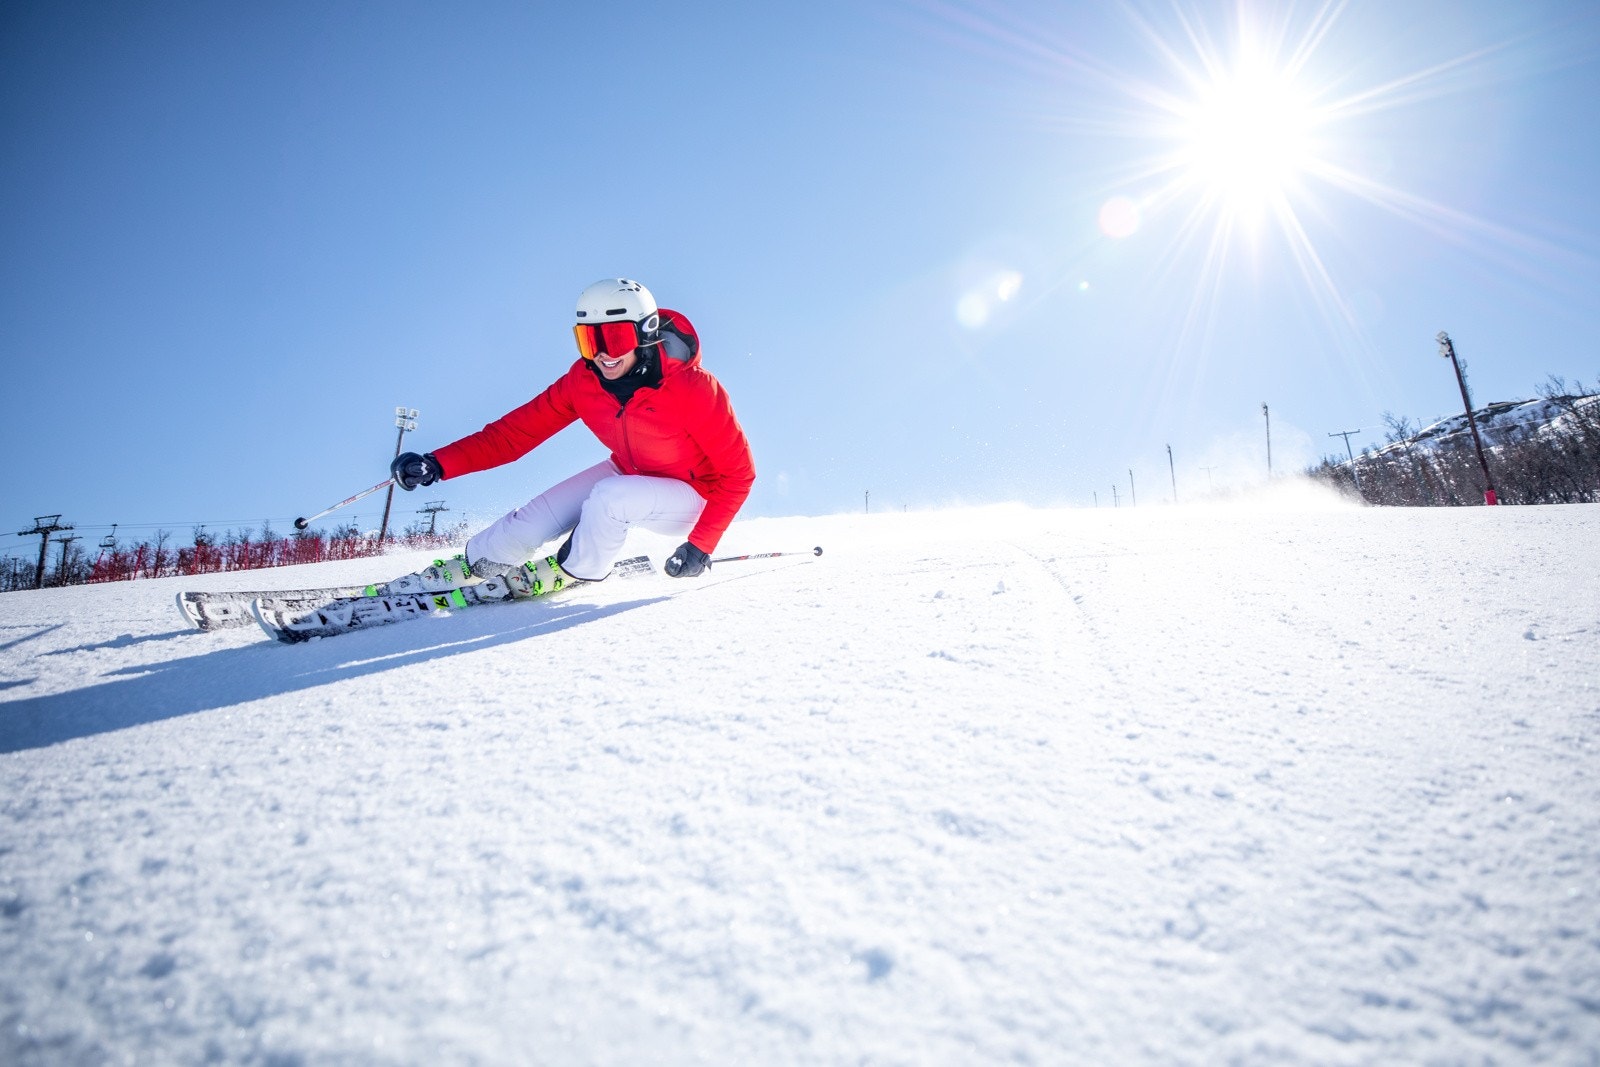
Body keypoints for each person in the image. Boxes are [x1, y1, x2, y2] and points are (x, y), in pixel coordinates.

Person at [387, 278, 755, 595]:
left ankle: (577, 570)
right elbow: (512, 436)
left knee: (611, 498)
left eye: (615, 337)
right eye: (589, 341)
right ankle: (477, 563)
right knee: (532, 520)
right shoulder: (583, 381)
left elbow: (739, 475)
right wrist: (438, 463)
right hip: (630, 472)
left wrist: (700, 546)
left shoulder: (693, 388)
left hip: (694, 498)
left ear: (644, 333)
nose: (604, 355)